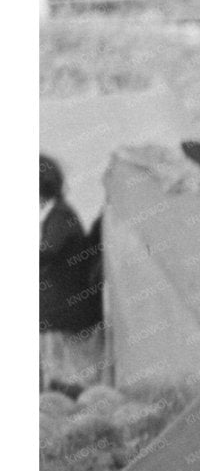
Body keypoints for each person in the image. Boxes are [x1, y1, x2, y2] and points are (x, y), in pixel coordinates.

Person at [40, 155, 105, 393]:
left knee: (75, 382)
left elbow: (48, 252)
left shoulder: (60, 215)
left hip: (68, 314)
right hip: (65, 313)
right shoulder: (57, 214)